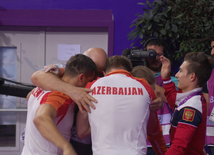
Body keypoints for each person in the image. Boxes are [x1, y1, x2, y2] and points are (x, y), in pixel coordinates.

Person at [76, 55, 158, 155]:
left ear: (104, 73)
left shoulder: (90, 87)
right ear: (130, 72)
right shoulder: (145, 87)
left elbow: (81, 132)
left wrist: (103, 124)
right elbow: (151, 128)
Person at [21, 54, 97, 155]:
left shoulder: (41, 87)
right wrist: (66, 147)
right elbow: (40, 118)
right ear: (81, 78)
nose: (89, 85)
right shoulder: (62, 96)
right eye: (89, 81)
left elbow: (29, 96)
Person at [160, 52, 213, 154]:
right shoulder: (191, 99)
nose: (176, 75)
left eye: (180, 71)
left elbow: (179, 146)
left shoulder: (191, 107)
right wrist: (166, 79)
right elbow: (175, 102)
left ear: (192, 77)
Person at [144, 38, 177, 154]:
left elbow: (172, 99)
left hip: (164, 138)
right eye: (151, 54)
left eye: (159, 55)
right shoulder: (133, 77)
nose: (155, 58)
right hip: (141, 138)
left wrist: (143, 78)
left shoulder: (172, 80)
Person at [131, 66, 168, 155]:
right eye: (147, 91)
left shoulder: (153, 107)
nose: (150, 95)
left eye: (152, 91)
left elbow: (156, 135)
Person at [204, 36, 214, 155]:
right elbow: (204, 106)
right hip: (211, 142)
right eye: (211, 48)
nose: (212, 53)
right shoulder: (209, 76)